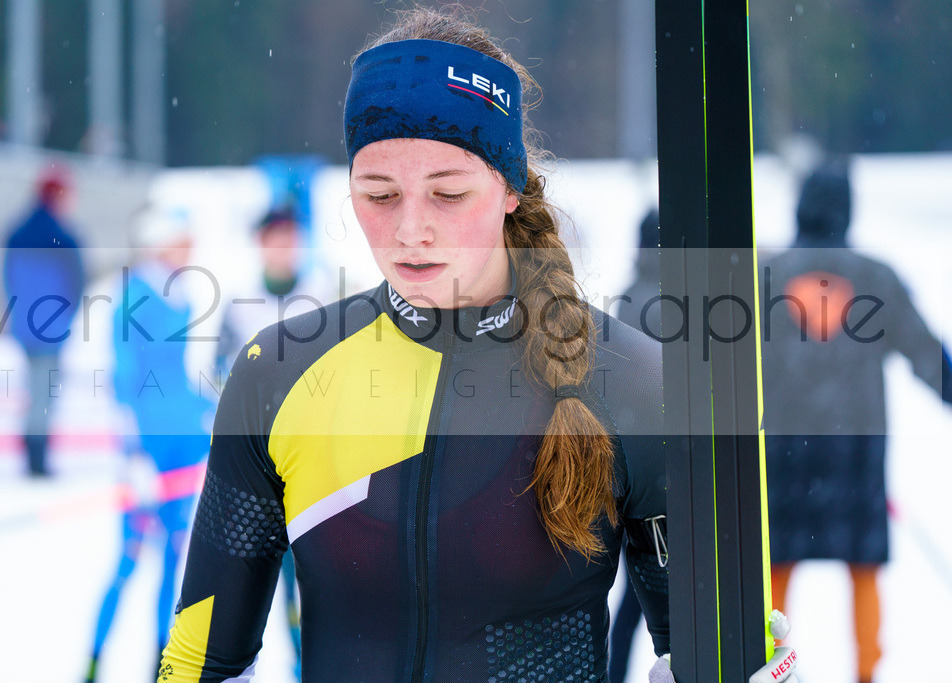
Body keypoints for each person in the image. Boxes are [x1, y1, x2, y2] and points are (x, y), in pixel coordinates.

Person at [160, 8, 795, 682]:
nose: (410, 230)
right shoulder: (281, 376)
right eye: (379, 193)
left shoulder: (633, 386)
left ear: (511, 186)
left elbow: (709, 660)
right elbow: (200, 662)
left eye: (447, 193)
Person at [761, 159, 952, 683]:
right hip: (856, 446)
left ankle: (764, 662)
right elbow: (924, 351)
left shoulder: (765, 273)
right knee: (863, 564)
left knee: (774, 564)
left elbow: (726, 360)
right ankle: (867, 669)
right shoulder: (875, 276)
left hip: (783, 446)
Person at [85, 206, 212, 683]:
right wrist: (132, 453)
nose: (190, 249)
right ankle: (93, 659)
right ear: (161, 243)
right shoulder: (134, 297)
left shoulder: (183, 294)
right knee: (129, 558)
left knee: (173, 560)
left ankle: (162, 663)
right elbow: (123, 379)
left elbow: (177, 377)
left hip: (184, 446)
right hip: (148, 453)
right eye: (182, 240)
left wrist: (212, 408)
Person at [213, 202, 338, 680]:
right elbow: (220, 380)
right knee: (251, 581)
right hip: (258, 464)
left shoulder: (322, 295)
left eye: (290, 238)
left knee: (314, 578)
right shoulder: (240, 302)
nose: (282, 249)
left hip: (314, 463)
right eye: (274, 239)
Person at [2, 165, 85, 476]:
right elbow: (77, 284)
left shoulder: (16, 233)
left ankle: (31, 448)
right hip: (52, 328)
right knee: (45, 391)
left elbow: (8, 281)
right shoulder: (64, 237)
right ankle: (37, 456)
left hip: (25, 327)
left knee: (34, 388)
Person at [609, 208, 661, 683]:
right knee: (663, 590)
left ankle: (612, 672)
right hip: (668, 466)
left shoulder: (630, 295)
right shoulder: (684, 298)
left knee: (633, 593)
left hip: (632, 463)